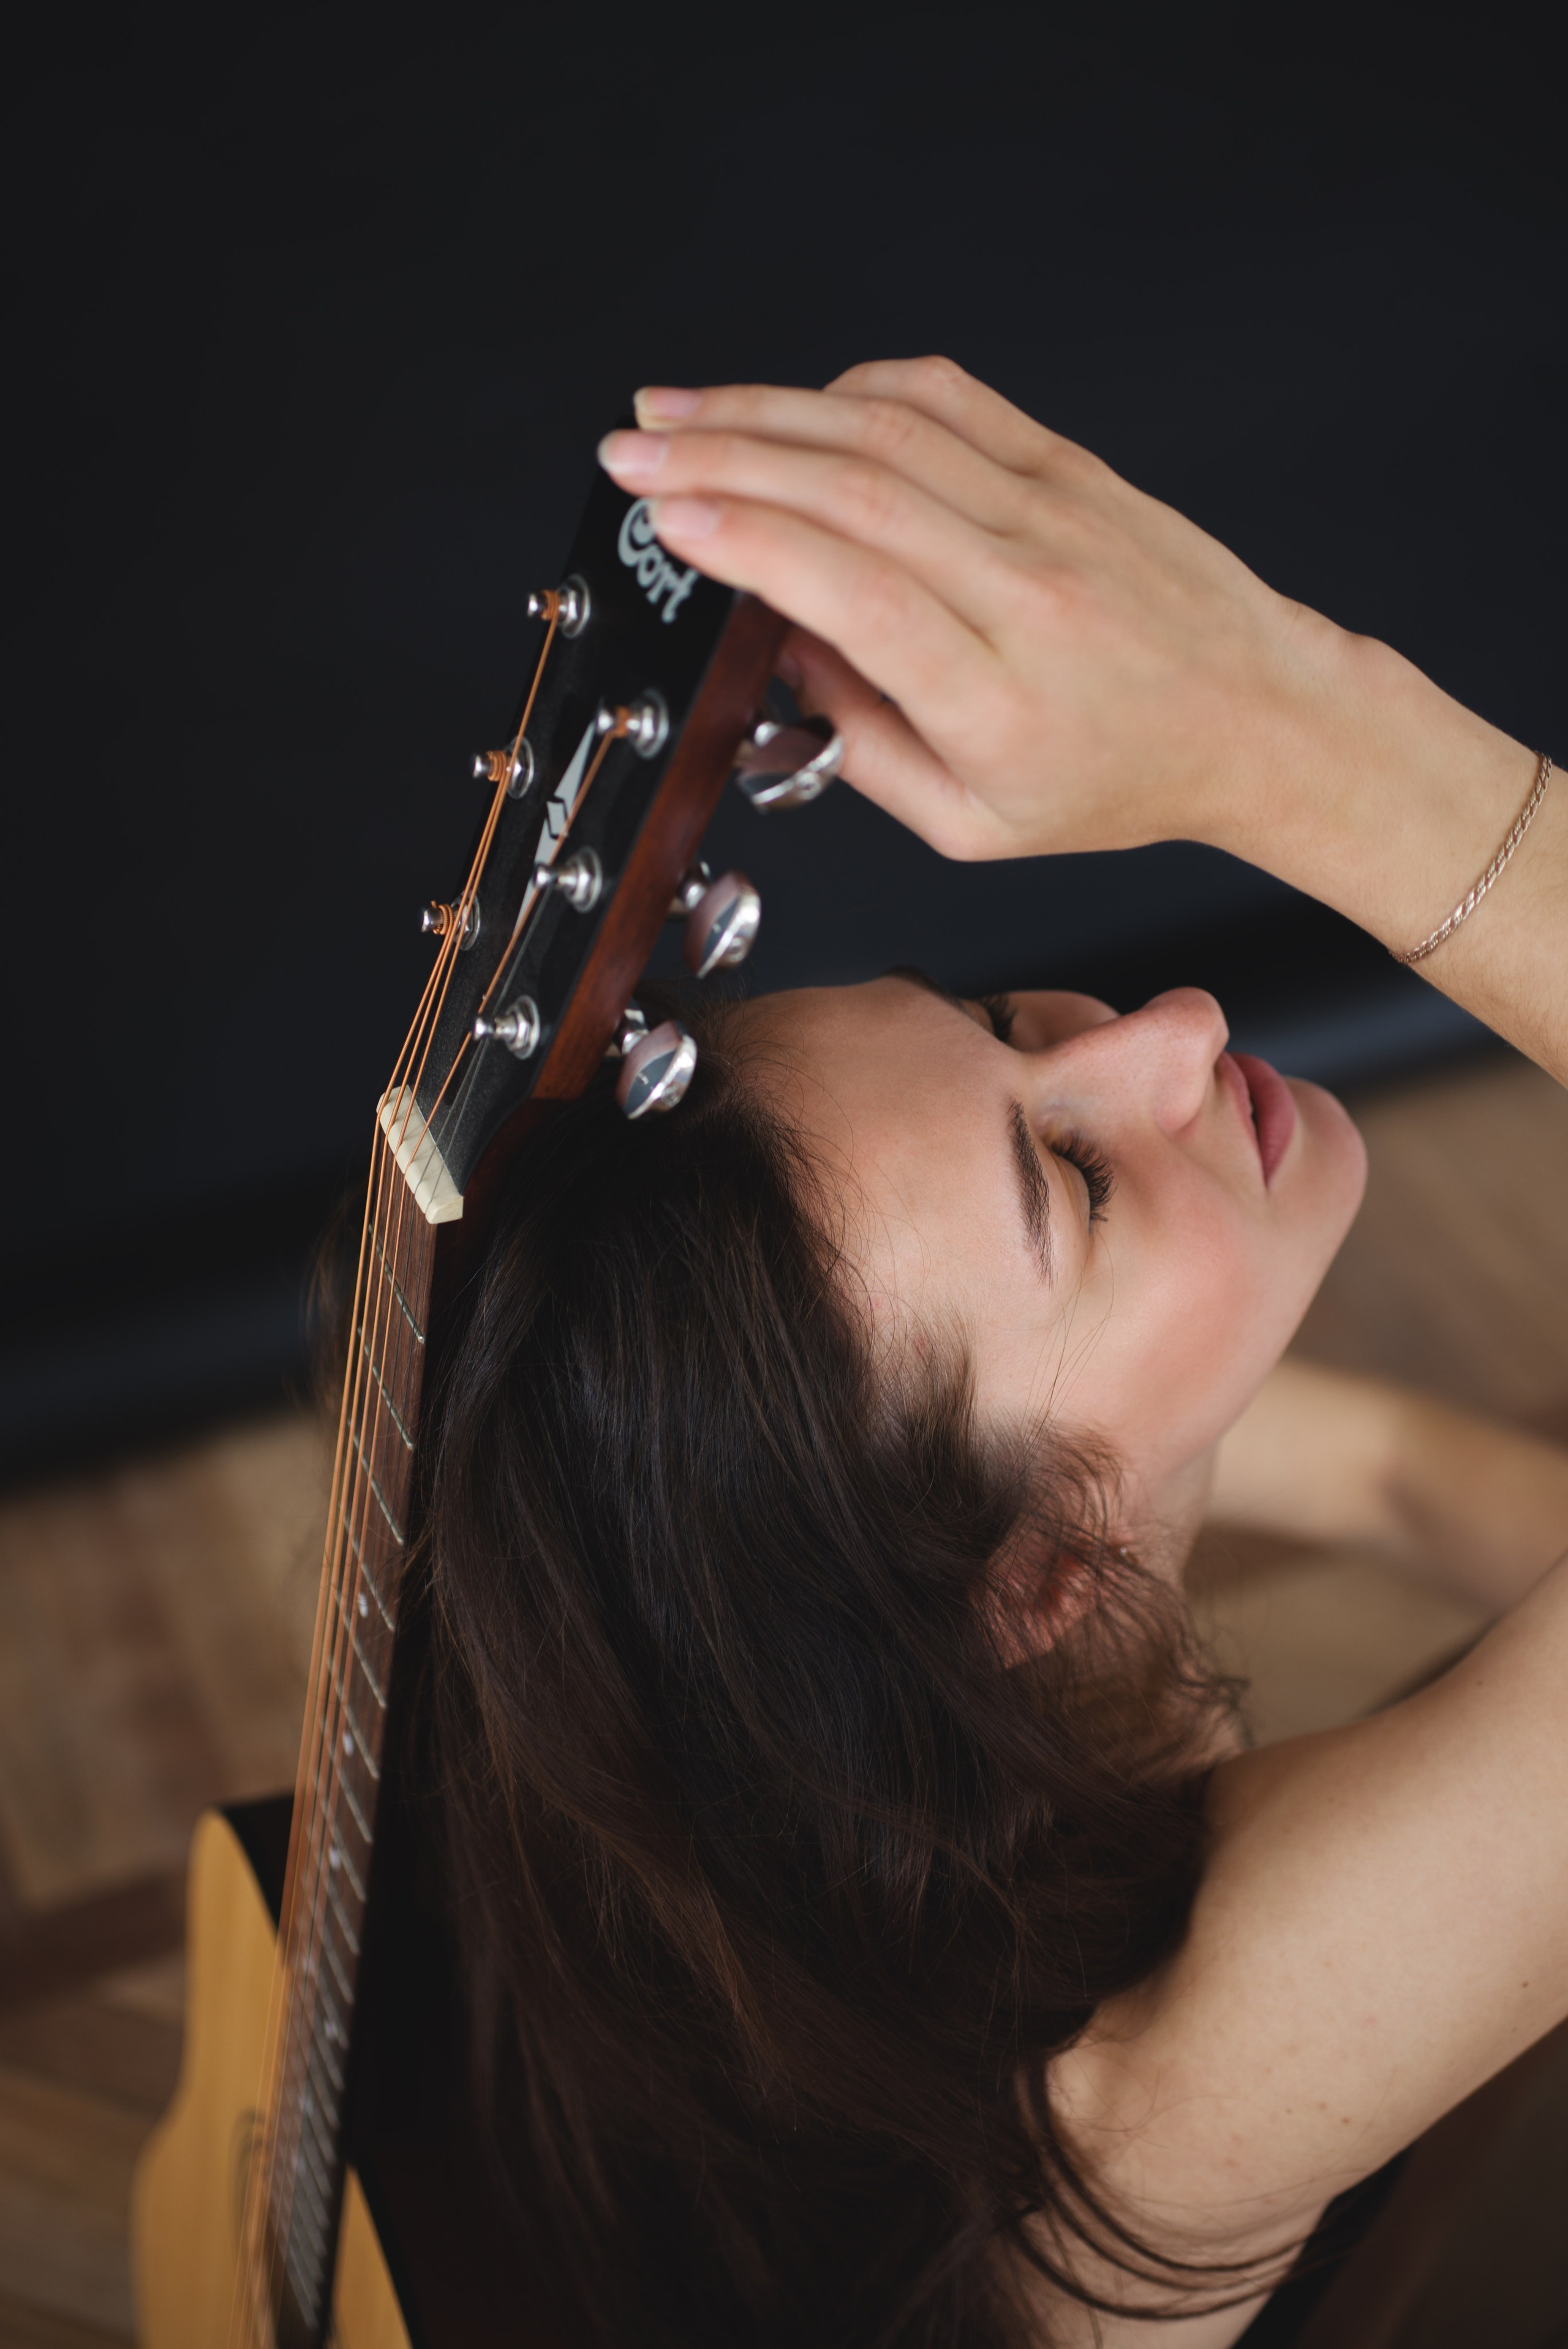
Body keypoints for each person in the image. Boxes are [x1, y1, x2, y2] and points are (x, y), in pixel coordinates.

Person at [421, 361, 1568, 2348]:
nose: (1174, 1021)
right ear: (1037, 1577)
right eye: (1079, 1182)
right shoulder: (1159, 2097)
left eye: (1005, 1024)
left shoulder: (767, 1676)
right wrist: (1300, 738)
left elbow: (1389, 1471)